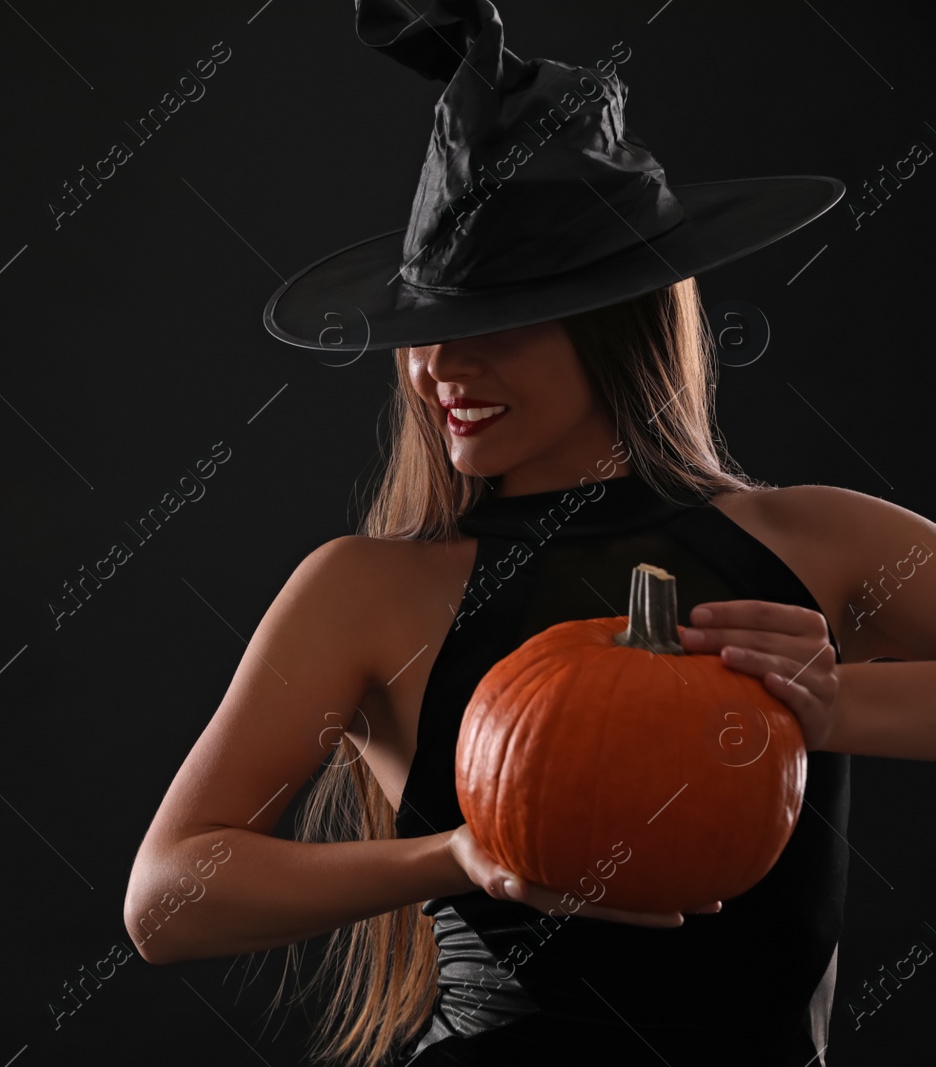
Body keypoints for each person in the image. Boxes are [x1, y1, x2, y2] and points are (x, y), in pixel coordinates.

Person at [122, 1, 936, 1063]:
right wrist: (458, 854)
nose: (440, 371)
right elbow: (168, 897)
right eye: (426, 331)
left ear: (616, 316)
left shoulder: (816, 540)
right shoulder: (368, 591)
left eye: (492, 325)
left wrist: (828, 705)